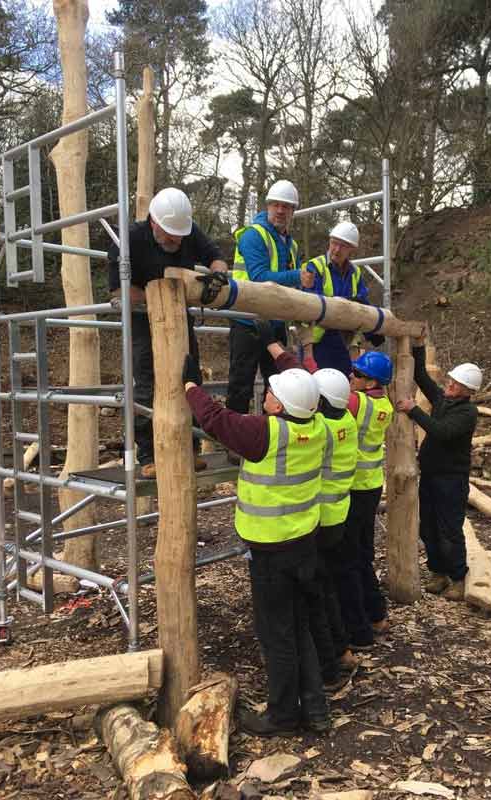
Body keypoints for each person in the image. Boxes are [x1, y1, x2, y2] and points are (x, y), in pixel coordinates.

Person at [183, 354, 330, 737]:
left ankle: (282, 717)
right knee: (300, 628)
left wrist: (191, 388)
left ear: (279, 405)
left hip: (273, 552)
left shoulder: (266, 433)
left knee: (277, 634)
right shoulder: (317, 428)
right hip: (304, 543)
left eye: (270, 392)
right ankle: (316, 710)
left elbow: (216, 420)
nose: (265, 394)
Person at [257, 323, 359, 689]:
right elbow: (306, 384)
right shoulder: (343, 417)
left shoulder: (315, 428)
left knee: (316, 596)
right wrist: (274, 348)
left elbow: (301, 391)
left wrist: (272, 347)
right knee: (326, 587)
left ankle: (329, 664)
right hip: (336, 516)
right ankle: (342, 650)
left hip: (317, 523)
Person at [108, 187, 228, 477]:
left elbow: (216, 257)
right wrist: (158, 295)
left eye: (180, 235)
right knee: (148, 382)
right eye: (170, 234)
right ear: (153, 223)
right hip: (142, 318)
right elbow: (118, 290)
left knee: (191, 378)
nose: (176, 240)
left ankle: (191, 449)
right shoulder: (129, 238)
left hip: (179, 315)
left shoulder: (187, 230)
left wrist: (218, 275)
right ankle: (148, 455)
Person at [396, 342, 482, 601]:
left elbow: (442, 432)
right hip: (432, 475)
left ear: (467, 391)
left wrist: (413, 410)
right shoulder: (444, 399)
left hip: (451, 480)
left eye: (456, 384)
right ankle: (438, 573)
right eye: (451, 381)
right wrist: (418, 346)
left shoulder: (468, 412)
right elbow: (421, 375)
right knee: (429, 527)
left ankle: (457, 577)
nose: (450, 385)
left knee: (449, 530)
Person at [226, 180, 315, 423]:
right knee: (241, 383)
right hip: (247, 320)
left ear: (293, 211)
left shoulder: (291, 244)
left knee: (278, 383)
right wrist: (298, 276)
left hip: (274, 324)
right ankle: (236, 441)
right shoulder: (254, 235)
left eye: (286, 206)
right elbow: (259, 277)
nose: (280, 210)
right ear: (267, 206)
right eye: (275, 205)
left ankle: (273, 435)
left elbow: (291, 287)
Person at [338, 350, 394, 650]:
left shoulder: (357, 402)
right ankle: (377, 614)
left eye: (357, 374)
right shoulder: (384, 404)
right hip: (371, 485)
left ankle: (359, 629)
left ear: (371, 381)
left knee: (349, 558)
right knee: (362, 552)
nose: (351, 377)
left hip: (354, 487)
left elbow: (323, 393)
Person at [303, 221, 385, 376]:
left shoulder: (355, 272)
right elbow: (312, 305)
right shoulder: (314, 267)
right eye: (334, 243)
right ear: (329, 241)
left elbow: (362, 304)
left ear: (352, 249)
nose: (337, 249)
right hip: (317, 341)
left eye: (343, 246)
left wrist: (373, 330)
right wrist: (349, 302)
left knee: (343, 388)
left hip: (343, 341)